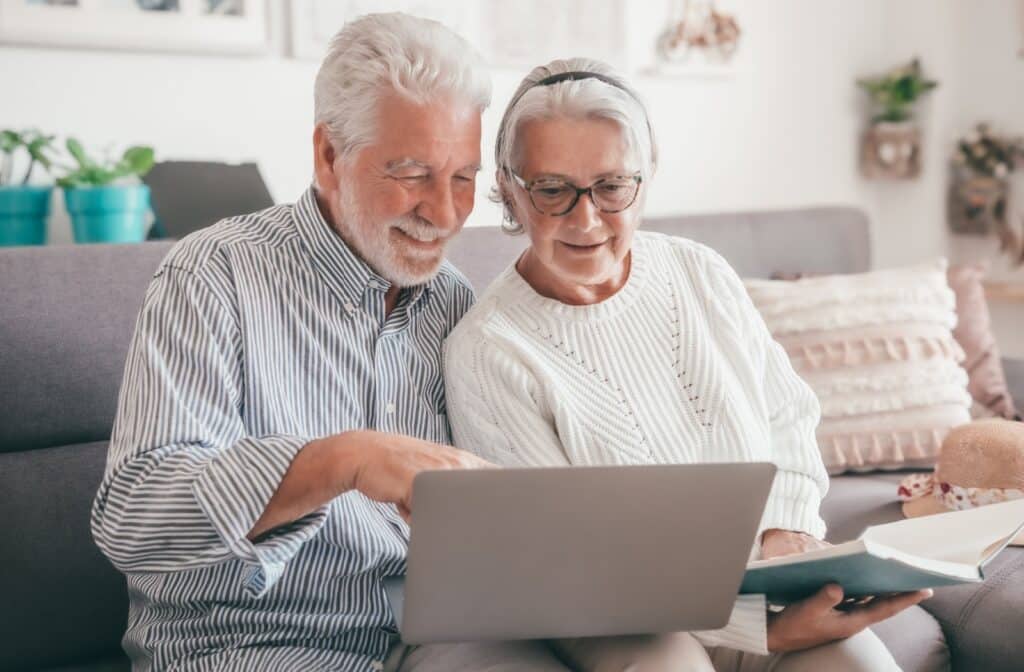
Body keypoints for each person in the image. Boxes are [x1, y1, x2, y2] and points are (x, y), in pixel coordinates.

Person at [88, 13, 578, 671]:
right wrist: (340, 459)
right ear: (327, 156)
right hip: (250, 645)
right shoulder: (214, 274)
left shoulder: (456, 302)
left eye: (463, 177)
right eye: (412, 173)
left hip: (430, 638)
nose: (444, 212)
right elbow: (134, 517)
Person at [443, 57, 931, 671]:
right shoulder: (488, 350)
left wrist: (785, 534)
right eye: (552, 189)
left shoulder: (700, 272)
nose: (586, 218)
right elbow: (559, 558)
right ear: (512, 187)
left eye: (612, 186)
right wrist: (764, 633)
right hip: (616, 616)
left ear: (645, 178)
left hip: (765, 584)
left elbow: (788, 416)